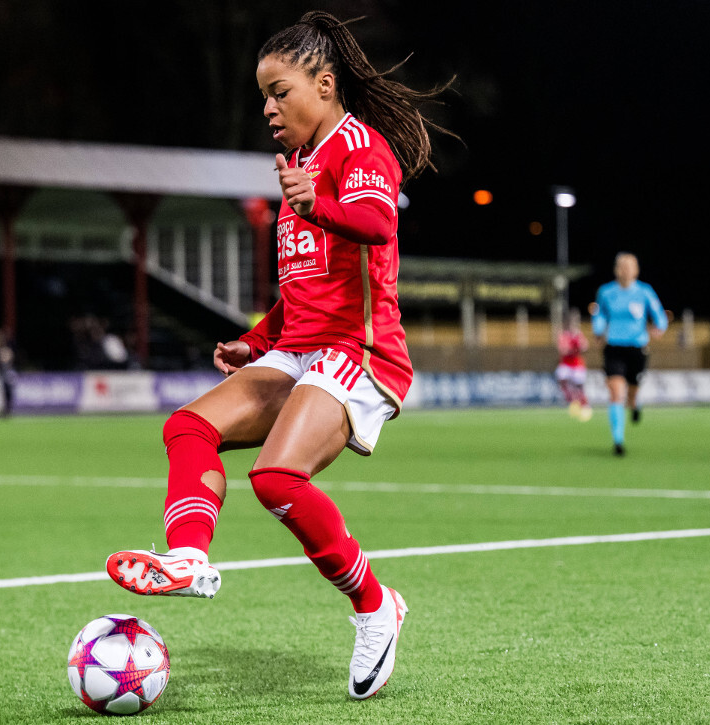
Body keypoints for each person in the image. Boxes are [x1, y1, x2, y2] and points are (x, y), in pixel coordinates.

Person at [106, 11, 453, 702]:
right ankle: (187, 557)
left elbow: (379, 225)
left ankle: (375, 605)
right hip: (300, 348)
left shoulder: (361, 148)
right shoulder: (296, 165)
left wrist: (318, 202)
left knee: (276, 478)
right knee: (188, 427)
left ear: (325, 86)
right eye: (263, 94)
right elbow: (303, 288)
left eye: (280, 90)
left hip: (362, 350)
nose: (267, 107)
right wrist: (256, 341)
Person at [591, 253, 668, 456]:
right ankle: (618, 441)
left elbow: (658, 313)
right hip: (614, 347)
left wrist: (660, 326)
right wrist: (598, 330)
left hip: (637, 347)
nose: (625, 270)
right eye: (622, 266)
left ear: (636, 270)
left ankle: (635, 404)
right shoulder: (606, 292)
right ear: (616, 269)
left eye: (629, 266)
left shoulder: (644, 291)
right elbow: (599, 314)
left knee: (631, 395)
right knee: (616, 393)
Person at [555, 308, 592, 421]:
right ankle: (572, 401)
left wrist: (577, 348)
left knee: (579, 387)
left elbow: (585, 347)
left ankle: (585, 405)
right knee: (562, 378)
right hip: (566, 363)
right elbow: (563, 350)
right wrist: (574, 349)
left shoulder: (578, 334)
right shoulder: (563, 335)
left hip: (577, 364)